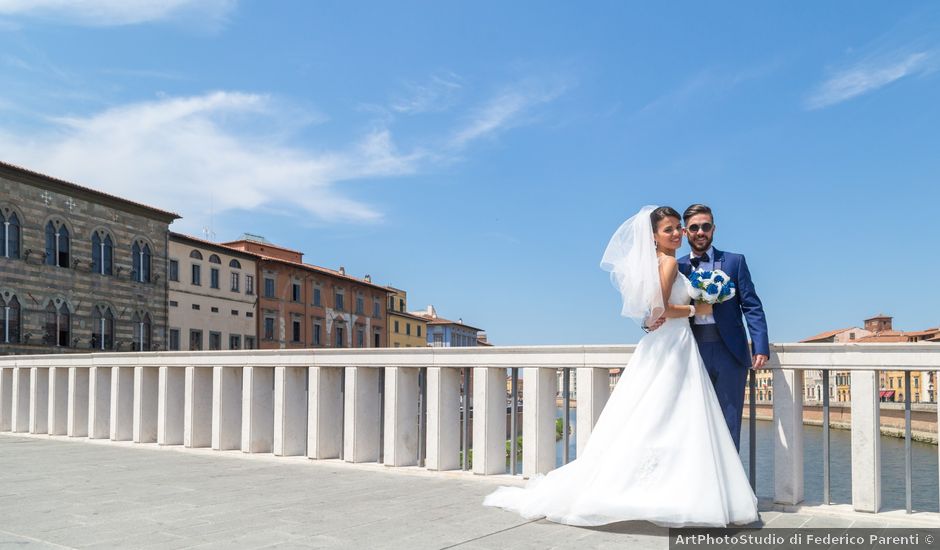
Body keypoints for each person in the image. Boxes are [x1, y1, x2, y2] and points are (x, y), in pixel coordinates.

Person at [482, 206, 759, 528]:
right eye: (669, 229)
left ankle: (662, 489)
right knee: (675, 417)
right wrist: (697, 308)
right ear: (654, 236)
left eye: (676, 229)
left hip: (669, 345)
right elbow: (660, 308)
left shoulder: (662, 262)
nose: (678, 234)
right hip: (675, 346)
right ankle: (682, 493)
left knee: (659, 417)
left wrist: (666, 314)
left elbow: (652, 312)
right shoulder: (670, 261)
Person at [678, 204, 769, 451]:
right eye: (694, 227)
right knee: (693, 422)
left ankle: (729, 487)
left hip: (731, 353)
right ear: (685, 232)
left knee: (730, 423)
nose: (700, 232)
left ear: (713, 229)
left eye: (705, 227)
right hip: (692, 352)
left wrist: (760, 346)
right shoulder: (677, 267)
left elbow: (752, 306)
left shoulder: (735, 262)